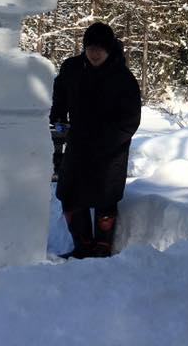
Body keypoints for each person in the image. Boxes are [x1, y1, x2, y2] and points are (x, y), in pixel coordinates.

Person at [50, 22, 141, 258]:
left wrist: (109, 142)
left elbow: (131, 119)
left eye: (100, 48)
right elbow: (59, 93)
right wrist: (58, 117)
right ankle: (83, 245)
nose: (95, 52)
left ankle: (102, 248)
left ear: (109, 49)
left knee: (105, 198)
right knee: (69, 194)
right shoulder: (72, 68)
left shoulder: (123, 78)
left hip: (111, 149)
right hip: (78, 143)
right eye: (90, 47)